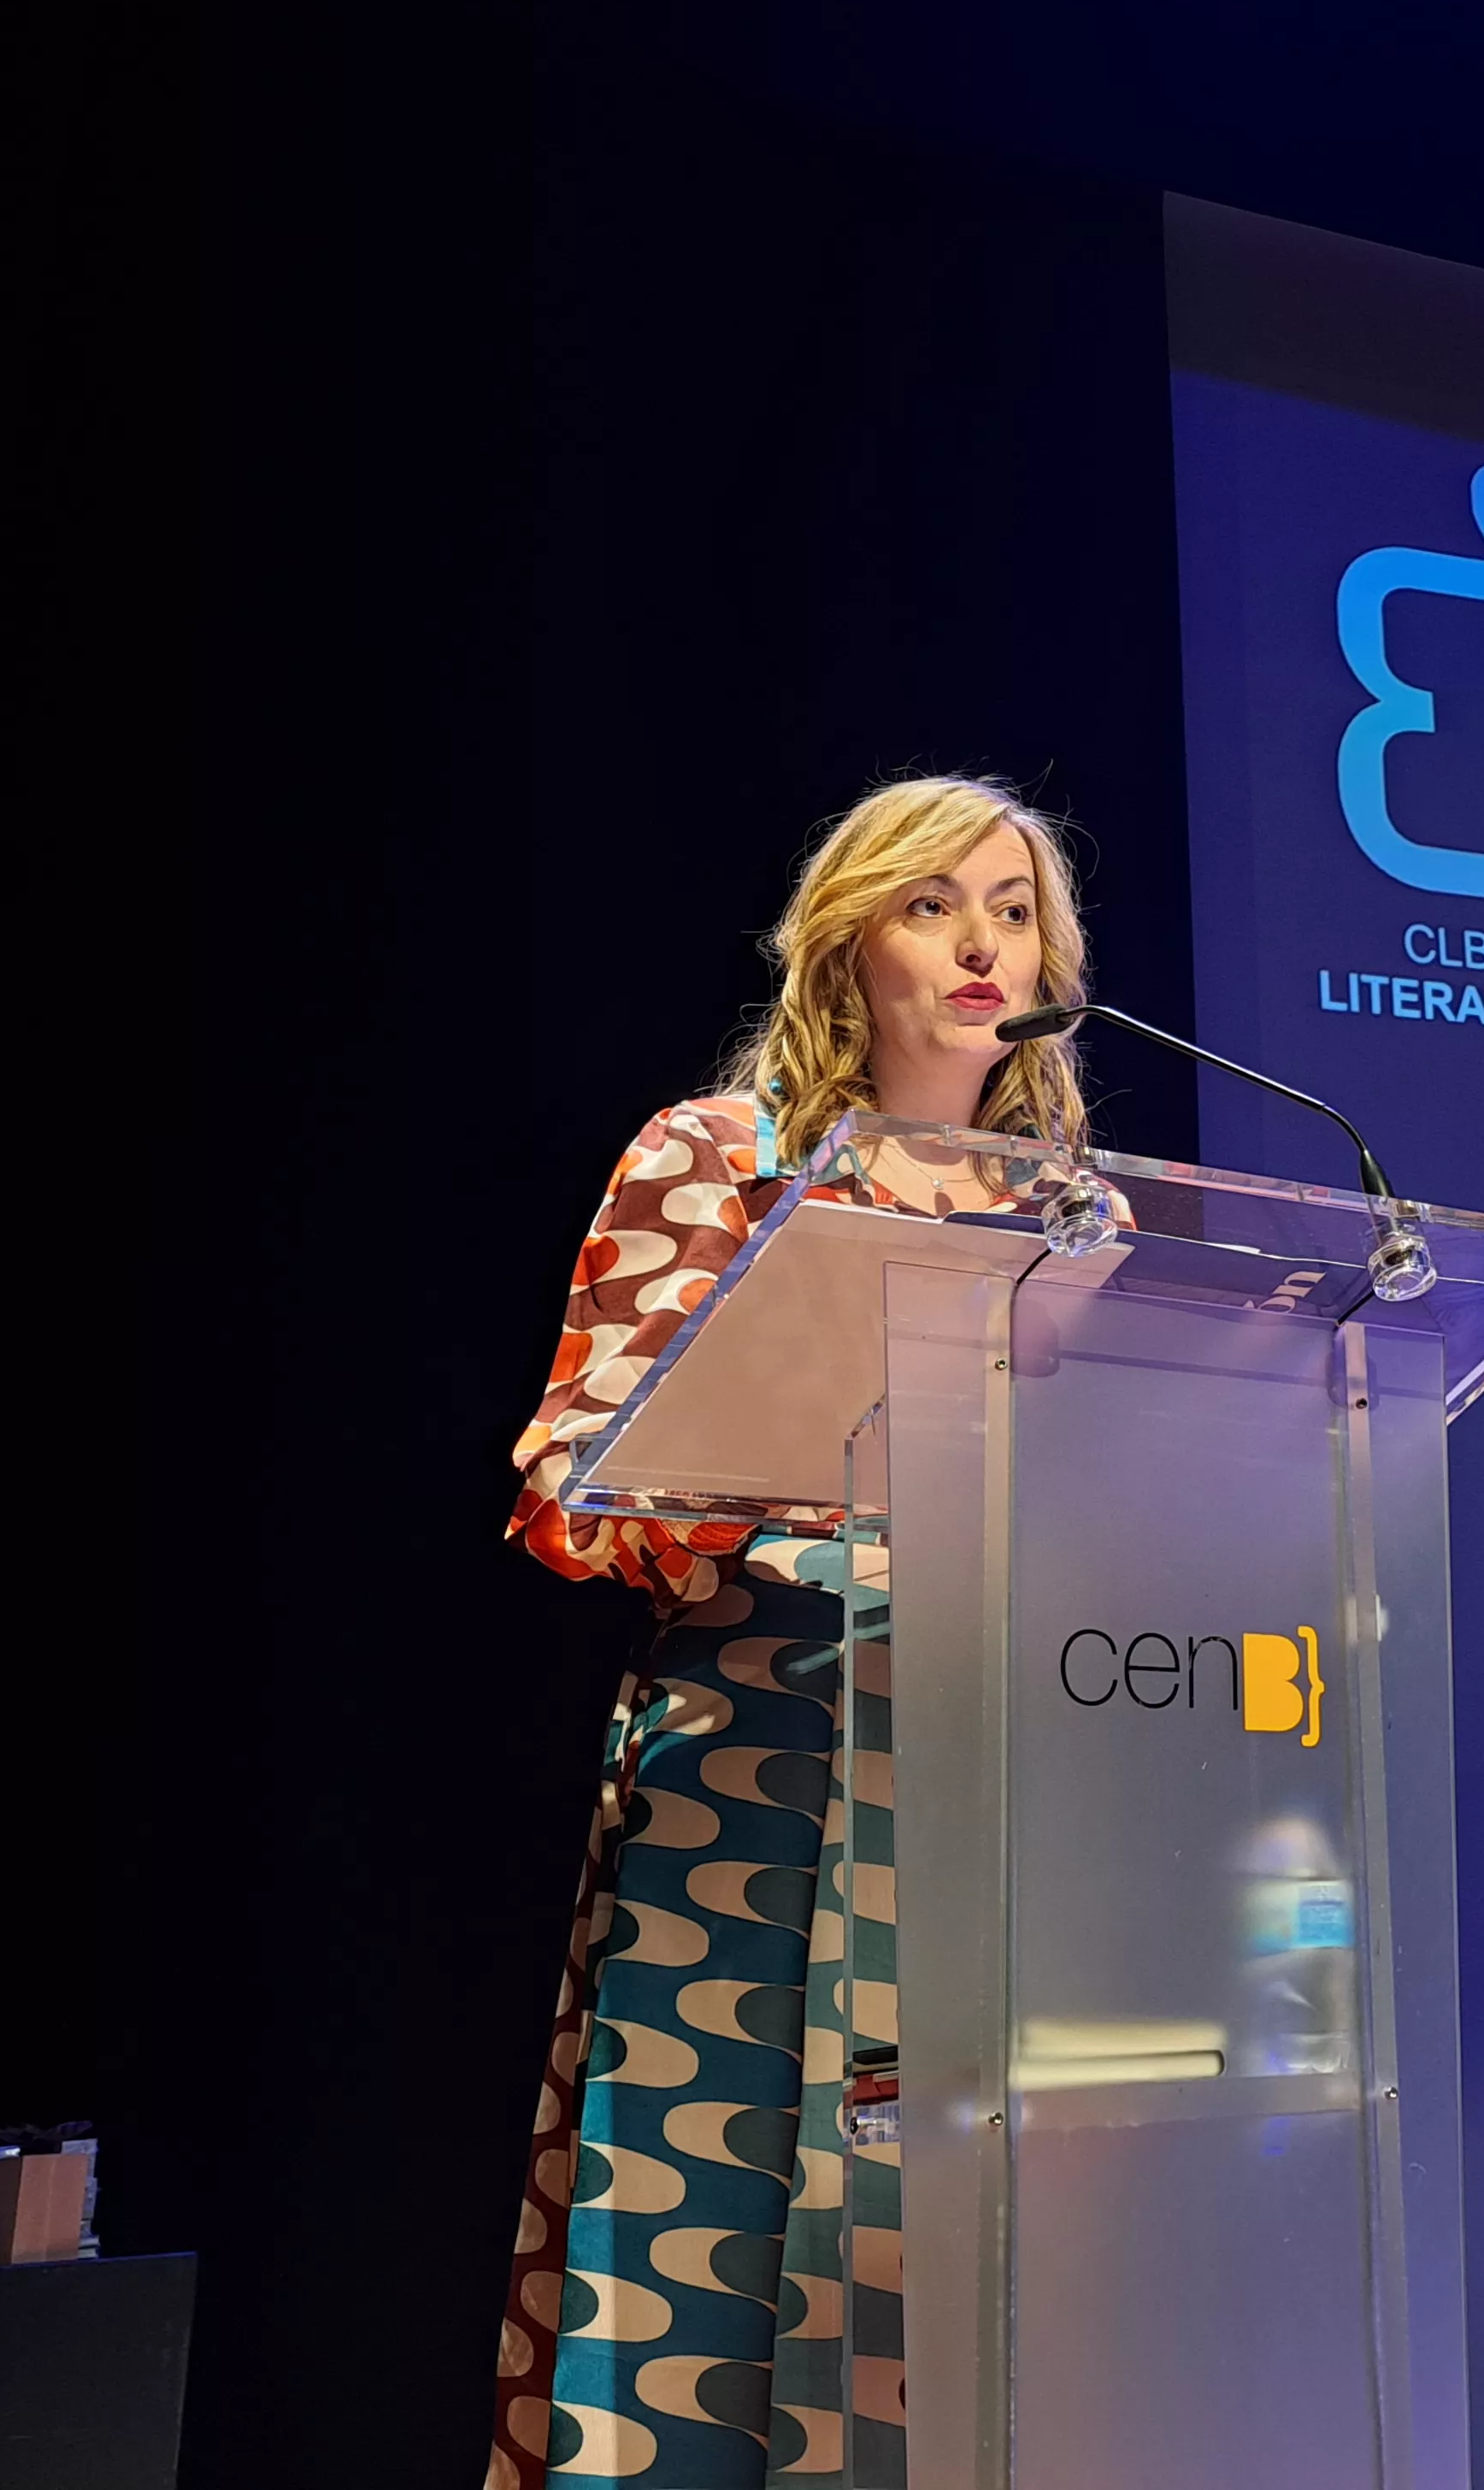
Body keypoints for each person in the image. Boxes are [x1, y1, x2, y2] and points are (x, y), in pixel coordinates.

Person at [488, 775, 1092, 2490]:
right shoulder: (718, 1159)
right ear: (847, 941)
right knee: (705, 2262)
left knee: (955, 2298)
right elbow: (565, 1487)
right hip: (749, 1778)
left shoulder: (1074, 1218)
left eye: (1015, 910)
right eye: (932, 905)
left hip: (993, 1792)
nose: (982, 942)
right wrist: (798, 1453)